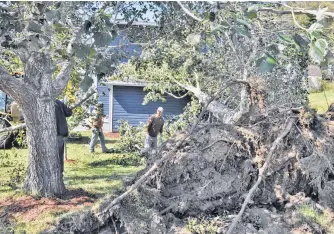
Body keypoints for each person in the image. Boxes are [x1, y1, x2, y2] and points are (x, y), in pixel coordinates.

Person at [55, 99, 72, 175]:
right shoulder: (59, 103)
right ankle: (59, 172)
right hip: (60, 132)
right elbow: (68, 113)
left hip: (54, 132)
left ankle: (57, 173)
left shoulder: (43, 103)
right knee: (59, 154)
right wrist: (69, 107)